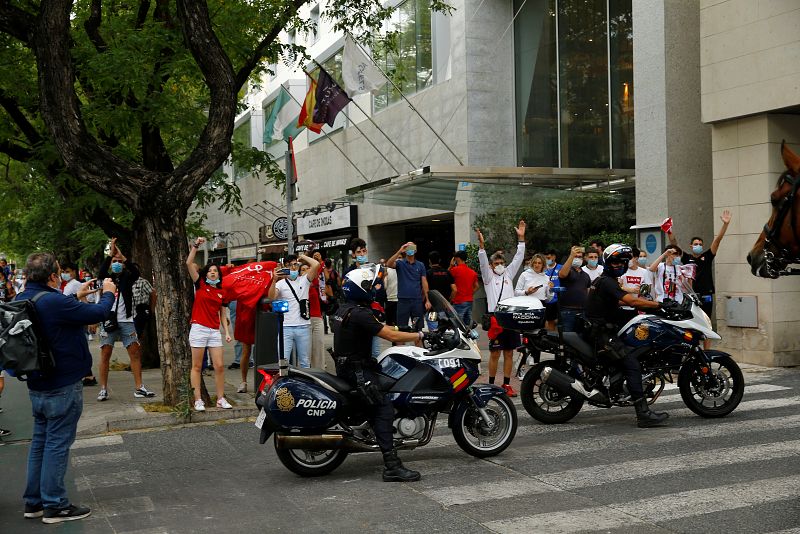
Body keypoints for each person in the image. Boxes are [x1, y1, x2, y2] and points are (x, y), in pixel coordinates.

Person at [18, 252, 115, 523]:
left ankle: (34, 502)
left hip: (37, 382)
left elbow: (51, 315)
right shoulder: (54, 301)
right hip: (62, 382)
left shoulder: (24, 299)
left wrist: (77, 297)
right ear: (52, 276)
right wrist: (107, 292)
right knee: (57, 444)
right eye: (59, 271)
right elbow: (99, 312)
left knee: (40, 442)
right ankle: (55, 505)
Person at [332, 264, 429, 482]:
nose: (375, 287)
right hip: (357, 371)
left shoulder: (345, 309)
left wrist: (400, 330)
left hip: (349, 367)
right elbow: (386, 334)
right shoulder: (359, 314)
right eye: (370, 285)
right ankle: (392, 465)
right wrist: (417, 334)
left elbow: (380, 327)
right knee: (384, 408)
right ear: (360, 289)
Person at [583, 244, 669, 428]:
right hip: (602, 334)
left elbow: (617, 305)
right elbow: (630, 300)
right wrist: (658, 305)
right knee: (631, 364)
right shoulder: (607, 281)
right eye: (615, 261)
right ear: (607, 262)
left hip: (603, 328)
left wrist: (643, 310)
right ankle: (643, 414)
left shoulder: (607, 280)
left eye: (622, 261)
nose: (619, 265)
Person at [97, 238, 155, 401]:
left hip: (127, 320)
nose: (116, 263)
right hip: (109, 321)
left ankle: (139, 387)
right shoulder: (106, 278)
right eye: (114, 261)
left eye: (119, 262)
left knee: (135, 352)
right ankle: (103, 388)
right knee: (105, 353)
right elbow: (100, 273)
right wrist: (110, 254)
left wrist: (122, 256)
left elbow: (136, 273)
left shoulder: (127, 278)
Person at [477, 221, 526, 397]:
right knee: (495, 353)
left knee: (509, 353)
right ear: (491, 265)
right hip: (496, 317)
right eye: (496, 262)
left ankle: (506, 384)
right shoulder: (488, 277)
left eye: (501, 262)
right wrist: (482, 247)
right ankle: (491, 384)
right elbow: (482, 263)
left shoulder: (508, 274)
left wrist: (521, 239)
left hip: (510, 316)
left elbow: (519, 258)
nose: (499, 265)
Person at [186, 238, 233, 411]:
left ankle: (221, 398)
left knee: (219, 366)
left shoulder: (222, 292)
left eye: (216, 271)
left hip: (214, 331)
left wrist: (226, 332)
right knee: (197, 366)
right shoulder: (200, 284)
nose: (213, 273)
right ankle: (198, 399)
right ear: (206, 274)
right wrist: (196, 246)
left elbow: (222, 313)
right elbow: (189, 262)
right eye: (210, 271)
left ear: (219, 275)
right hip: (199, 328)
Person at [668, 209, 732, 317]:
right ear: (691, 246)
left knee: (706, 319)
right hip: (691, 294)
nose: (698, 246)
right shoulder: (686, 257)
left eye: (700, 244)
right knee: (692, 319)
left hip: (706, 294)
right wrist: (669, 230)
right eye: (696, 244)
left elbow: (718, 240)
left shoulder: (707, 256)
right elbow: (674, 243)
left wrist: (725, 224)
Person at [268, 253, 320, 368]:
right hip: (286, 327)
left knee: (305, 362)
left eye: (295, 265)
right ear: (284, 267)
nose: (293, 268)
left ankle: (303, 385)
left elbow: (316, 264)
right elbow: (272, 298)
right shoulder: (280, 284)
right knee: (283, 362)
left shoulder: (304, 280)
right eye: (289, 265)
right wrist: (273, 280)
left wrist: (302, 257)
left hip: (303, 326)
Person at [386, 242, 429, 344]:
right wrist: (400, 250)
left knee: (418, 330)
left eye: (412, 247)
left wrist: (427, 299)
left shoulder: (420, 265)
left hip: (417, 300)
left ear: (415, 250)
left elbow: (424, 282)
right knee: (401, 329)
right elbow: (389, 264)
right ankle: (401, 352)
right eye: (408, 247)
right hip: (403, 300)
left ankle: (419, 354)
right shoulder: (400, 263)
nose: (410, 249)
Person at [558, 246, 592, 332]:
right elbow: (562, 274)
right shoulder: (569, 271)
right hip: (567, 311)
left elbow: (588, 292)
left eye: (579, 257)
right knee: (567, 338)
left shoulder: (586, 275)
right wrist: (571, 256)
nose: (577, 258)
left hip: (582, 312)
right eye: (575, 256)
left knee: (580, 339)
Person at [425, 251, 456, 331]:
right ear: (439, 260)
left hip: (433, 308)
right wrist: (449, 301)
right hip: (445, 307)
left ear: (429, 261)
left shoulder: (428, 273)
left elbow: (424, 289)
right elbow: (455, 290)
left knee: (433, 330)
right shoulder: (447, 272)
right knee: (445, 328)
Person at [449, 250, 478, 327]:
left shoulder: (455, 270)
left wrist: (451, 265)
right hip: (469, 300)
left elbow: (447, 276)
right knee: (467, 324)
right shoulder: (472, 272)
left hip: (459, 300)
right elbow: (477, 286)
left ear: (457, 259)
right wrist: (470, 293)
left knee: (457, 324)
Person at [542, 250, 562, 331]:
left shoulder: (561, 267)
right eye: (545, 258)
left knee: (560, 321)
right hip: (548, 299)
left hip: (559, 299)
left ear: (554, 257)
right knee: (549, 321)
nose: (547, 259)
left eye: (549, 258)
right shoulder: (542, 269)